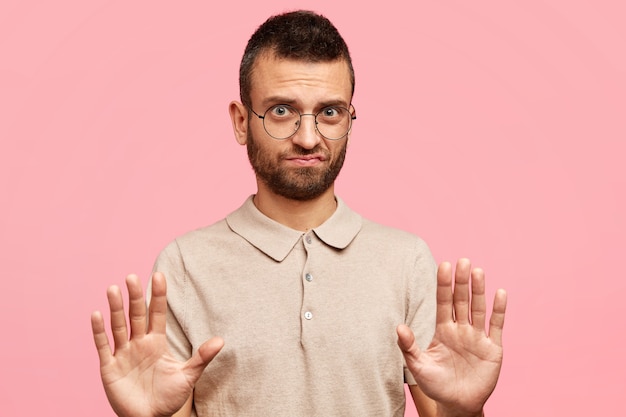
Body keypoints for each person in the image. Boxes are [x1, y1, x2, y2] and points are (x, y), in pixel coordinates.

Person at [91, 10, 507, 417]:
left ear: (350, 118)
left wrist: (464, 410)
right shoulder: (184, 265)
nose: (308, 139)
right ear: (241, 122)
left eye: (329, 112)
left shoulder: (407, 261)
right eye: (282, 111)